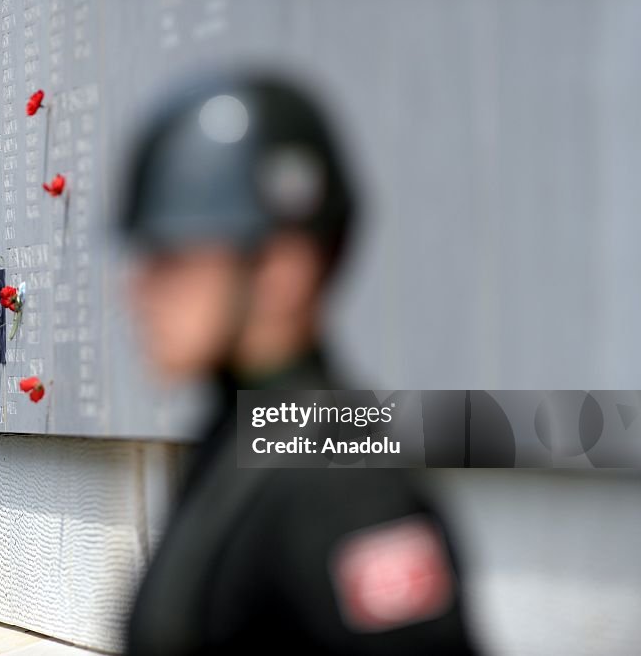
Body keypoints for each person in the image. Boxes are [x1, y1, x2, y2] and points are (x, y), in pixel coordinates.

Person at [120, 75, 479, 655]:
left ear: (282, 269)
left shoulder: (341, 481)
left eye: (174, 257)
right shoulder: (246, 436)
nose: (136, 289)